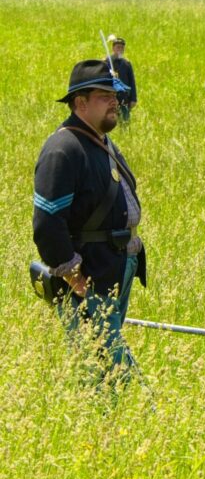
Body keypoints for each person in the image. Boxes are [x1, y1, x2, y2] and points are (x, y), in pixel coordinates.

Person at [33, 60, 145, 385]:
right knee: (103, 371)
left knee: (108, 367)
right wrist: (69, 270)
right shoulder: (63, 148)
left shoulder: (100, 141)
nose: (115, 102)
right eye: (104, 96)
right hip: (89, 275)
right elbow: (47, 221)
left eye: (116, 95)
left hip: (113, 266)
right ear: (80, 102)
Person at [105, 36, 137, 122]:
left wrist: (133, 98)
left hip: (124, 97)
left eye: (122, 47)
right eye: (118, 47)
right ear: (113, 48)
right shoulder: (106, 62)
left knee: (124, 120)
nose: (120, 49)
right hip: (110, 95)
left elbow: (132, 81)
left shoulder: (126, 63)